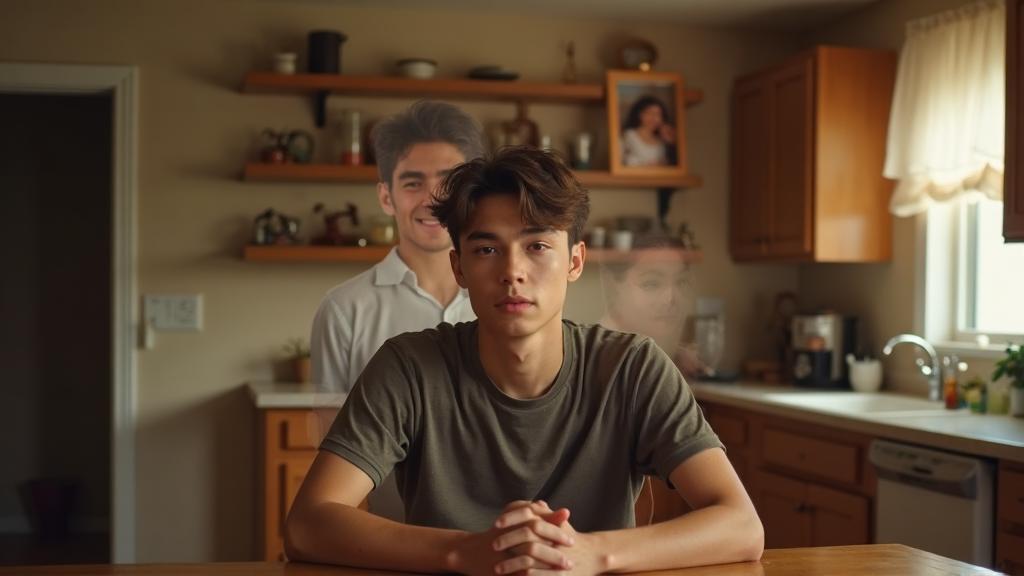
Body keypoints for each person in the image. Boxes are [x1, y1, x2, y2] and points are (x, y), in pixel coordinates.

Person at [286, 146, 763, 575]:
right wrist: (464, 552)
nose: (512, 272)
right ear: (460, 268)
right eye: (487, 249)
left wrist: (588, 554)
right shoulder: (410, 367)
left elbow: (742, 526)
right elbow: (307, 525)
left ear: (574, 262)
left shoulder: (632, 368)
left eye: (537, 246)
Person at [309, 100, 485, 519]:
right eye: (412, 183)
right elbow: (331, 450)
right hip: (394, 543)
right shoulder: (343, 309)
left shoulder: (509, 298)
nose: (433, 199)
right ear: (386, 196)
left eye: (448, 181)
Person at [598, 233, 704, 377]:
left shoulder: (650, 352)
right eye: (651, 284)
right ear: (613, 287)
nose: (671, 299)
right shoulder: (607, 363)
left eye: (681, 282)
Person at [620, 95, 676, 167]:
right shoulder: (629, 135)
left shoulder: (662, 142)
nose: (654, 118)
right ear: (640, 114)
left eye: (658, 114)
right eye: (650, 113)